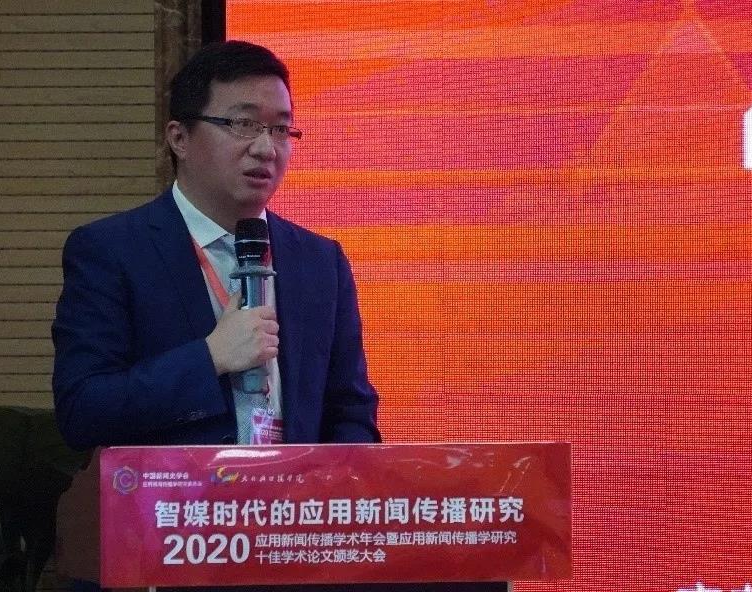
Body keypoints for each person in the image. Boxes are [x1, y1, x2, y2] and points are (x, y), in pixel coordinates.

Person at [53, 40, 502, 592]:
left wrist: (331, 500)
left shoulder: (319, 261)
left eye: (281, 129)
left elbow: (350, 410)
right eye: (243, 125)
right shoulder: (112, 250)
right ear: (179, 138)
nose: (266, 148)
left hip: (295, 544)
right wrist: (209, 358)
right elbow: (83, 410)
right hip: (169, 543)